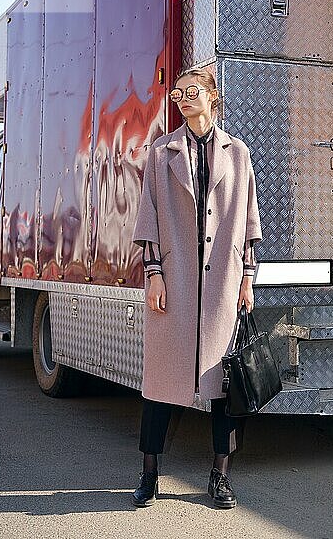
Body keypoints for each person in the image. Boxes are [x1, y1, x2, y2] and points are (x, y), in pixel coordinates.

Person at [131, 66, 263, 508]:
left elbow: (247, 223)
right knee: (160, 382)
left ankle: (220, 477)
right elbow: (148, 217)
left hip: (223, 282)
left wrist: (247, 278)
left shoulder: (237, 153)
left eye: (191, 92)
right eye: (178, 94)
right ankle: (149, 475)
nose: (183, 99)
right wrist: (154, 274)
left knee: (223, 385)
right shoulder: (160, 152)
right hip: (175, 279)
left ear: (212, 97)